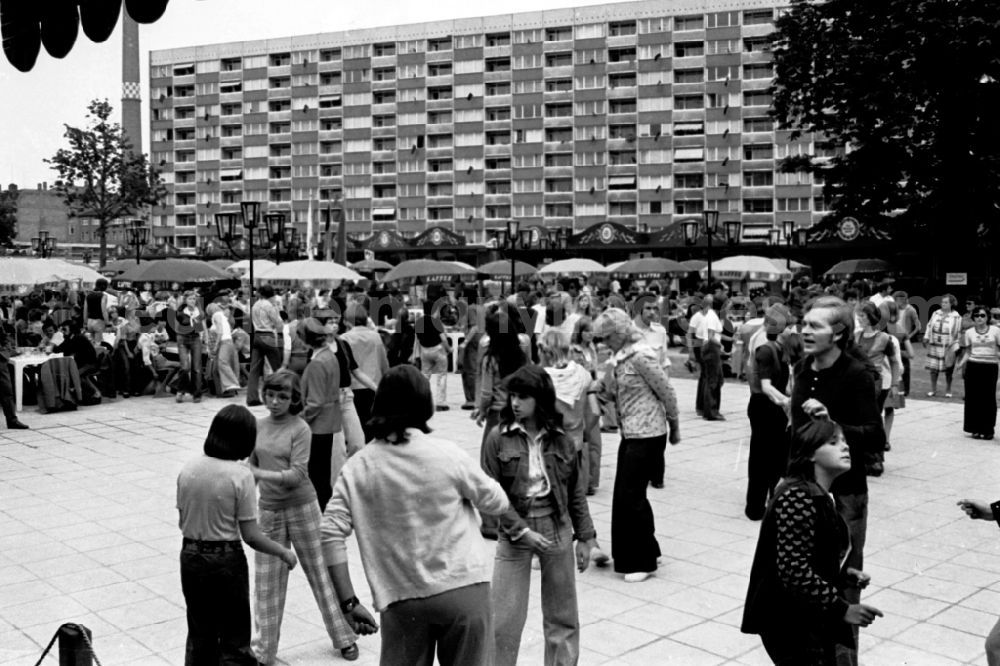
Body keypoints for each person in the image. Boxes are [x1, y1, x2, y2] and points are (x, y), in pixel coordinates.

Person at [320, 365, 511, 666]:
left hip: (402, 599)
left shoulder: (358, 467)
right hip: (463, 591)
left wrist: (348, 602)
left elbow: (330, 532)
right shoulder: (446, 453)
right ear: (426, 405)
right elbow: (496, 501)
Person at [789, 296, 885, 665]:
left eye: (815, 326)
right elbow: (797, 430)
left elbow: (875, 435)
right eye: (804, 323)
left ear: (840, 333)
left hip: (844, 496)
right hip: (803, 489)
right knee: (804, 578)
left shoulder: (856, 375)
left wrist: (833, 425)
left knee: (843, 583)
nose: (805, 331)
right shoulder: (801, 368)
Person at [482, 365, 598, 666]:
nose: (515, 403)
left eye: (523, 396)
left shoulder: (560, 439)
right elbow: (490, 495)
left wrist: (586, 537)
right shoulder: (498, 437)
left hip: (556, 527)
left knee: (563, 618)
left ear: (541, 398)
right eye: (512, 396)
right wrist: (521, 531)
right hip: (514, 533)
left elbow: (575, 493)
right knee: (503, 621)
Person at [742, 420, 883, 664]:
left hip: (802, 615)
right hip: (789, 622)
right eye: (833, 442)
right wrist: (843, 609)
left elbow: (807, 553)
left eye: (844, 441)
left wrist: (842, 575)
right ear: (809, 454)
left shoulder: (816, 492)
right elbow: (794, 569)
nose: (845, 447)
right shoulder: (798, 495)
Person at [246, 371, 359, 663]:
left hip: (303, 507)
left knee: (320, 572)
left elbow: (297, 474)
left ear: (294, 399)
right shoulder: (256, 427)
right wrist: (247, 506)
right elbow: (250, 468)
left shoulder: (300, 429)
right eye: (270, 395)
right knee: (266, 582)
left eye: (282, 397)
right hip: (269, 510)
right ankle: (263, 652)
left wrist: (258, 474)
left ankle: (345, 636)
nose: (274, 402)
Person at [176, 404, 298, 665]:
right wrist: (282, 551)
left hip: (190, 557)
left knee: (200, 634)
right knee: (234, 638)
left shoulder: (188, 469)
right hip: (225, 561)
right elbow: (251, 536)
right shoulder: (240, 476)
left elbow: (182, 521)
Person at [593, 308, 680, 582]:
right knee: (628, 495)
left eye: (607, 337)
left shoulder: (642, 356)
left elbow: (666, 390)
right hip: (631, 432)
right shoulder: (619, 358)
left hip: (648, 433)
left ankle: (641, 560)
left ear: (620, 333)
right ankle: (647, 551)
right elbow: (607, 392)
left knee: (630, 497)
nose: (604, 343)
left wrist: (675, 424)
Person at [745, 304, 793, 521]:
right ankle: (756, 505)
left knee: (770, 456)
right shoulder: (765, 343)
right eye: (786, 326)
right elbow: (763, 380)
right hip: (766, 404)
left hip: (767, 403)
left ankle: (767, 500)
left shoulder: (766, 340)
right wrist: (784, 401)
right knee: (763, 458)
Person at [299, 317, 345, 511]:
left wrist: (299, 418)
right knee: (322, 471)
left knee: (316, 472)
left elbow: (315, 402)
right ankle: (323, 508)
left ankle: (320, 510)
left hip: (318, 424)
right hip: (329, 419)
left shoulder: (317, 363)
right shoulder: (329, 355)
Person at [854, 302, 902, 476]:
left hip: (875, 384)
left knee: (873, 421)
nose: (859, 318)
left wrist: (895, 384)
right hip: (857, 383)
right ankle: (861, 458)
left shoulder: (884, 338)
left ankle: (876, 459)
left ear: (871, 318)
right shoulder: (856, 336)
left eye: (862, 316)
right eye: (858, 315)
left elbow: (895, 362)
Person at [341, 304, 389, 442]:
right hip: (374, 386)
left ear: (347, 320)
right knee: (371, 429)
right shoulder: (376, 337)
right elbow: (383, 362)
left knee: (356, 430)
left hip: (353, 388)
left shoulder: (344, 338)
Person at [957, 305, 1000, 439]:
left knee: (988, 398)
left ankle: (987, 430)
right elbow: (968, 351)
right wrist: (961, 364)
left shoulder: (995, 331)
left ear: (987, 317)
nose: (979, 318)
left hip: (990, 367)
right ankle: (974, 428)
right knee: (973, 398)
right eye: (976, 315)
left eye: (982, 315)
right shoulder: (969, 332)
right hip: (973, 366)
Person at [248, 285, 285, 406]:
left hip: (257, 336)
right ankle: (283, 393)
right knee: (277, 366)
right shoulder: (269, 306)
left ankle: (252, 398)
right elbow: (278, 322)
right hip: (268, 335)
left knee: (254, 369)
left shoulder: (255, 305)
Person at [415, 300, 452, 411]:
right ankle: (440, 403)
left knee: (425, 376)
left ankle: (422, 401)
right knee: (441, 375)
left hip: (424, 350)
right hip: (437, 350)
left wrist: (414, 354)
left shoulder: (419, 321)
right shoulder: (436, 321)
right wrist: (449, 349)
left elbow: (417, 339)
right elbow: (443, 338)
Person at [923, 294, 962, 398]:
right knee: (933, 369)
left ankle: (948, 389)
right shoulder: (936, 313)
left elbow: (958, 332)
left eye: (946, 302)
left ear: (951, 304)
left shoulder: (956, 316)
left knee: (948, 368)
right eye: (942, 302)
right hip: (934, 344)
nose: (943, 304)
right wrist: (926, 337)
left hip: (948, 345)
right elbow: (929, 325)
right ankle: (933, 389)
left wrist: (955, 345)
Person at [698, 295, 728, 420]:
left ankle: (709, 409)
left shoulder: (712, 315)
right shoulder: (711, 316)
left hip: (711, 348)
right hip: (711, 348)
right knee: (713, 381)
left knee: (715, 379)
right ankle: (711, 412)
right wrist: (720, 346)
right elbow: (710, 337)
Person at [174, 291, 207, 403]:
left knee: (196, 368)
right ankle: (181, 390)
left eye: (194, 299)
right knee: (184, 367)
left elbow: (202, 326)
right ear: (185, 300)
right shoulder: (180, 312)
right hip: (182, 338)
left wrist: (205, 338)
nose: (192, 301)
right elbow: (177, 326)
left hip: (196, 338)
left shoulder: (199, 312)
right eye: (190, 299)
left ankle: (196, 393)